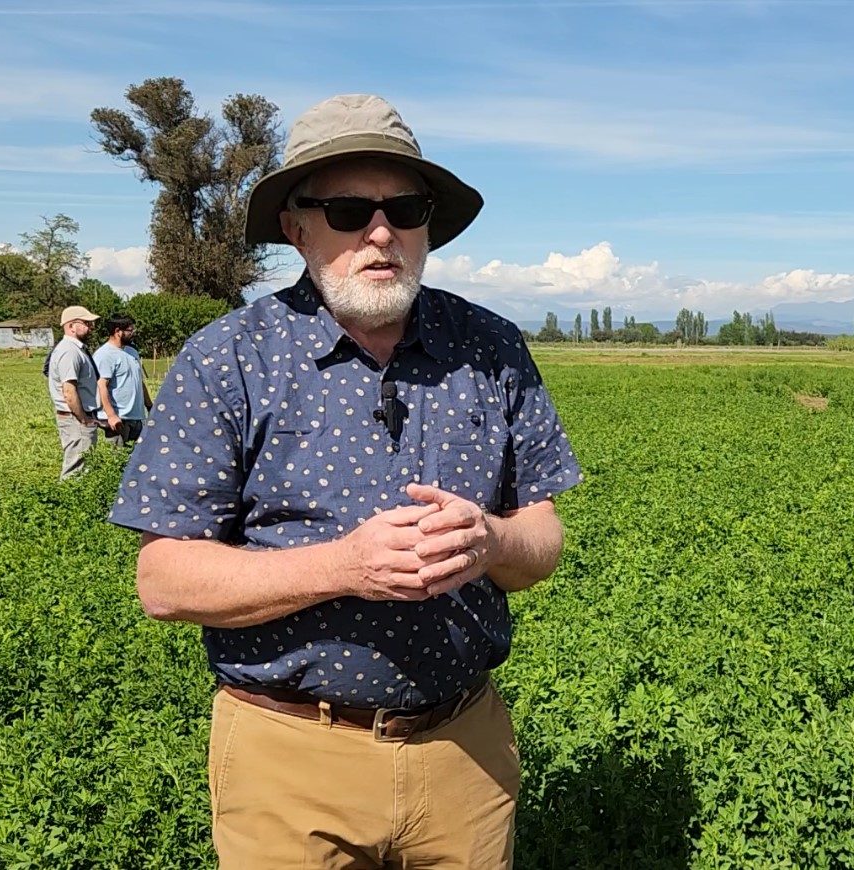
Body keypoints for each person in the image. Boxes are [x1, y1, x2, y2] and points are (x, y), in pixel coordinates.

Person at [107, 94, 582, 869]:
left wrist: (490, 538)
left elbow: (542, 541)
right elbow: (164, 582)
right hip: (288, 757)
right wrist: (343, 567)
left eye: (405, 207)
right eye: (347, 209)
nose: (380, 232)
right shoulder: (229, 358)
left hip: (467, 747)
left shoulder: (491, 348)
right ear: (296, 228)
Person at [47, 305, 102, 480]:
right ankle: (67, 503)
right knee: (76, 468)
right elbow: (69, 391)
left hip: (79, 416)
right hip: (75, 417)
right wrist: (83, 418)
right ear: (71, 326)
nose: (91, 327)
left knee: (83, 464)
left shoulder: (77, 349)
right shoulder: (69, 351)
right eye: (87, 323)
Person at [94, 313, 153, 447]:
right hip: (119, 420)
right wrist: (111, 415)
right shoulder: (105, 355)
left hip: (136, 417)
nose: (133, 333)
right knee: (117, 460)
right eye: (130, 330)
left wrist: (150, 406)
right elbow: (101, 386)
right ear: (117, 331)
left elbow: (139, 382)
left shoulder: (132, 352)